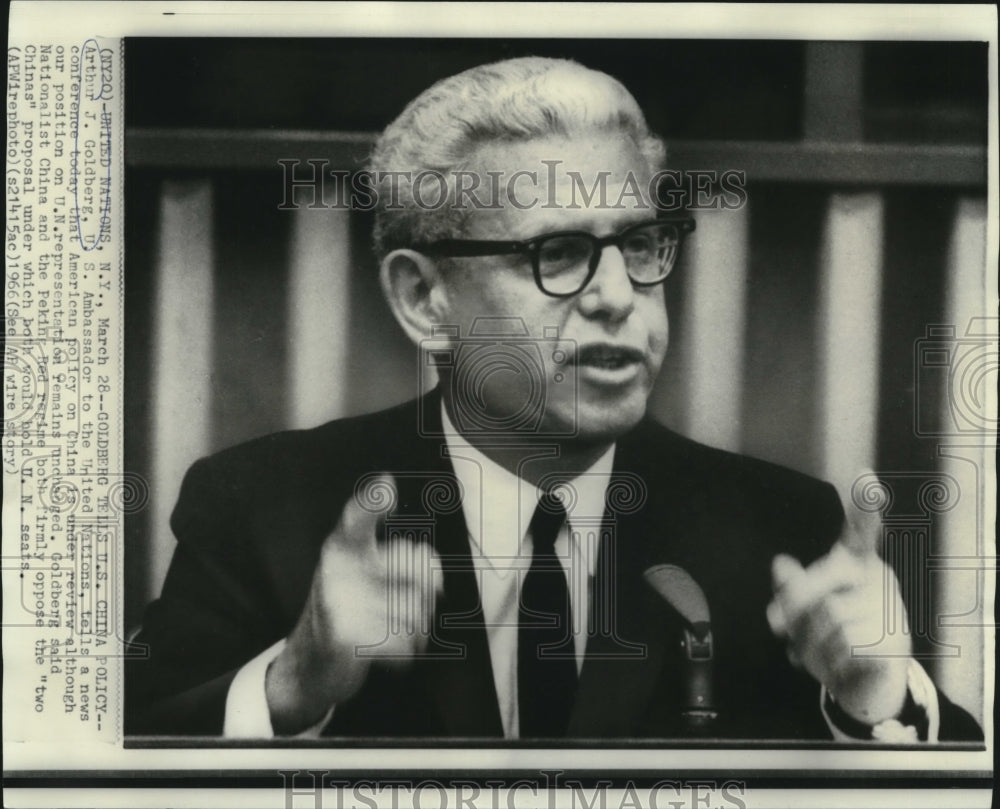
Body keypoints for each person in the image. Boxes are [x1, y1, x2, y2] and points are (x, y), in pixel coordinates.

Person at [126, 56, 981, 741]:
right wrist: (293, 686)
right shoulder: (261, 508)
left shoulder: (781, 533)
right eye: (560, 253)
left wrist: (874, 703)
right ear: (425, 299)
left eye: (641, 243)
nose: (619, 295)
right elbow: (93, 767)